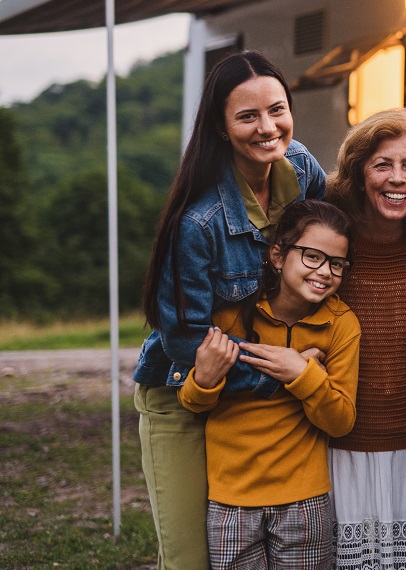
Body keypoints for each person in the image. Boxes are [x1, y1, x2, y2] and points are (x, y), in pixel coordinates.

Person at [133, 50, 325, 570]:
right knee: (191, 558)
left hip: (256, 394)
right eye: (247, 116)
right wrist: (285, 368)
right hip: (182, 389)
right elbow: (186, 340)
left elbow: (339, 238)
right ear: (220, 127)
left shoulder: (303, 170)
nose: (268, 127)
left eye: (277, 109)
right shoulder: (199, 222)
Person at [177, 200, 361, 569]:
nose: (324, 271)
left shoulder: (341, 324)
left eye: (336, 263)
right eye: (312, 256)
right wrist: (206, 381)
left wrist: (301, 374)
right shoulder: (231, 314)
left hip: (305, 499)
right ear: (278, 255)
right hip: (231, 498)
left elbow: (340, 421)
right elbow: (193, 402)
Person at [323, 107, 406, 569]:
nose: (397, 178)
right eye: (382, 164)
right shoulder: (329, 245)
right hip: (339, 449)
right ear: (359, 171)